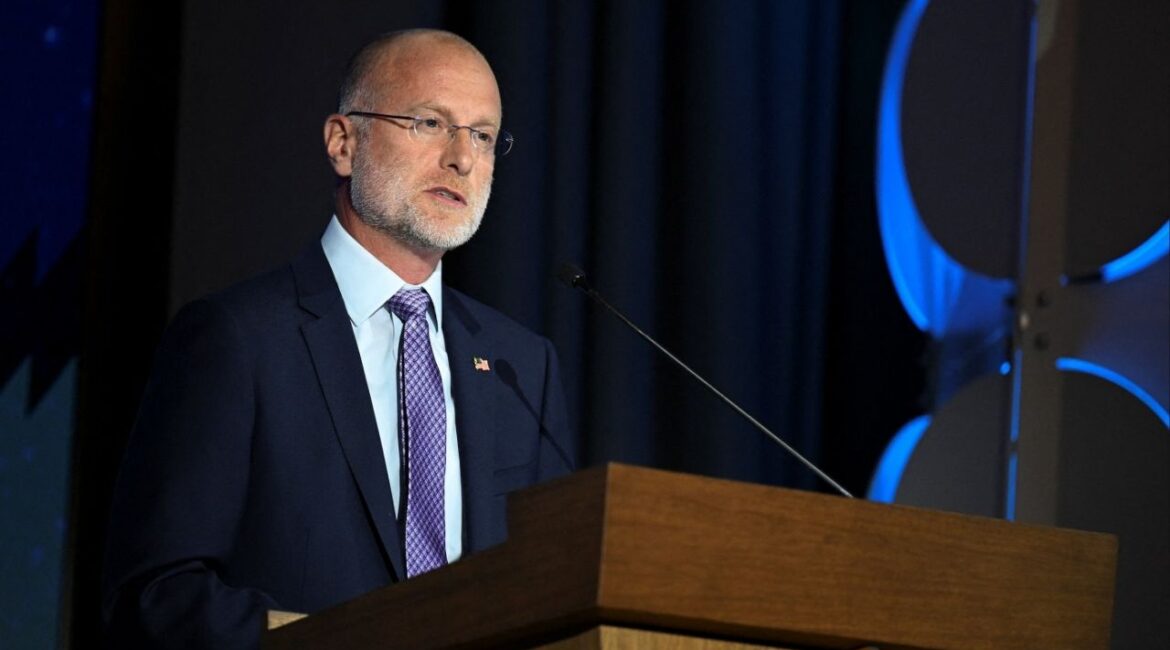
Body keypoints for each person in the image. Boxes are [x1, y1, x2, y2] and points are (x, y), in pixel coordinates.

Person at [102, 29, 575, 649]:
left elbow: (553, 593)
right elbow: (160, 593)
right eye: (431, 122)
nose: (462, 157)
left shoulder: (522, 365)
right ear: (344, 142)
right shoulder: (237, 339)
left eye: (483, 135)